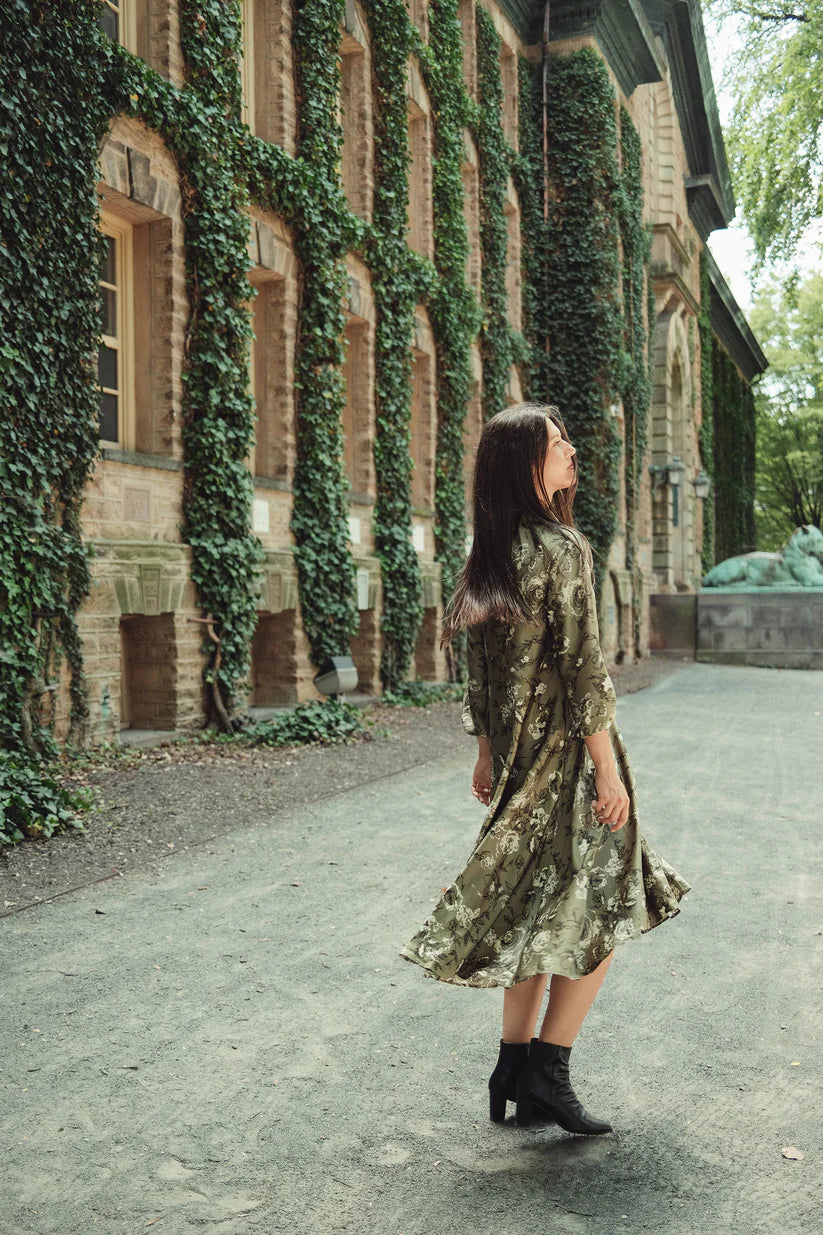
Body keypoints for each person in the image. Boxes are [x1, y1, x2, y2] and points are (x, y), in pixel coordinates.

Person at [399, 402, 691, 1135]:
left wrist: (488, 751)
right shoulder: (563, 550)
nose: (570, 452)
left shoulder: (487, 553)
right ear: (523, 463)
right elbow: (583, 665)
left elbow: (480, 670)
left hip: (518, 761)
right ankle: (547, 1070)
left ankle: (512, 1063)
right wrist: (608, 771)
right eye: (555, 443)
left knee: (533, 906)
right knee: (608, 905)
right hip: (567, 757)